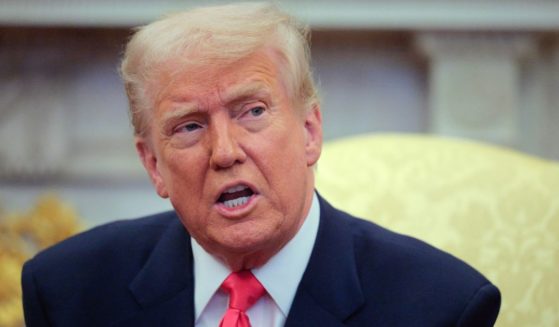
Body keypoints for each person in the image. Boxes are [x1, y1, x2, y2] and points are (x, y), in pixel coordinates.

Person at [21, 2, 501, 326]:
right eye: (189, 126)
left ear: (310, 132)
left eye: (251, 112)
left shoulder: (441, 307)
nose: (225, 151)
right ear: (152, 165)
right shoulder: (68, 292)